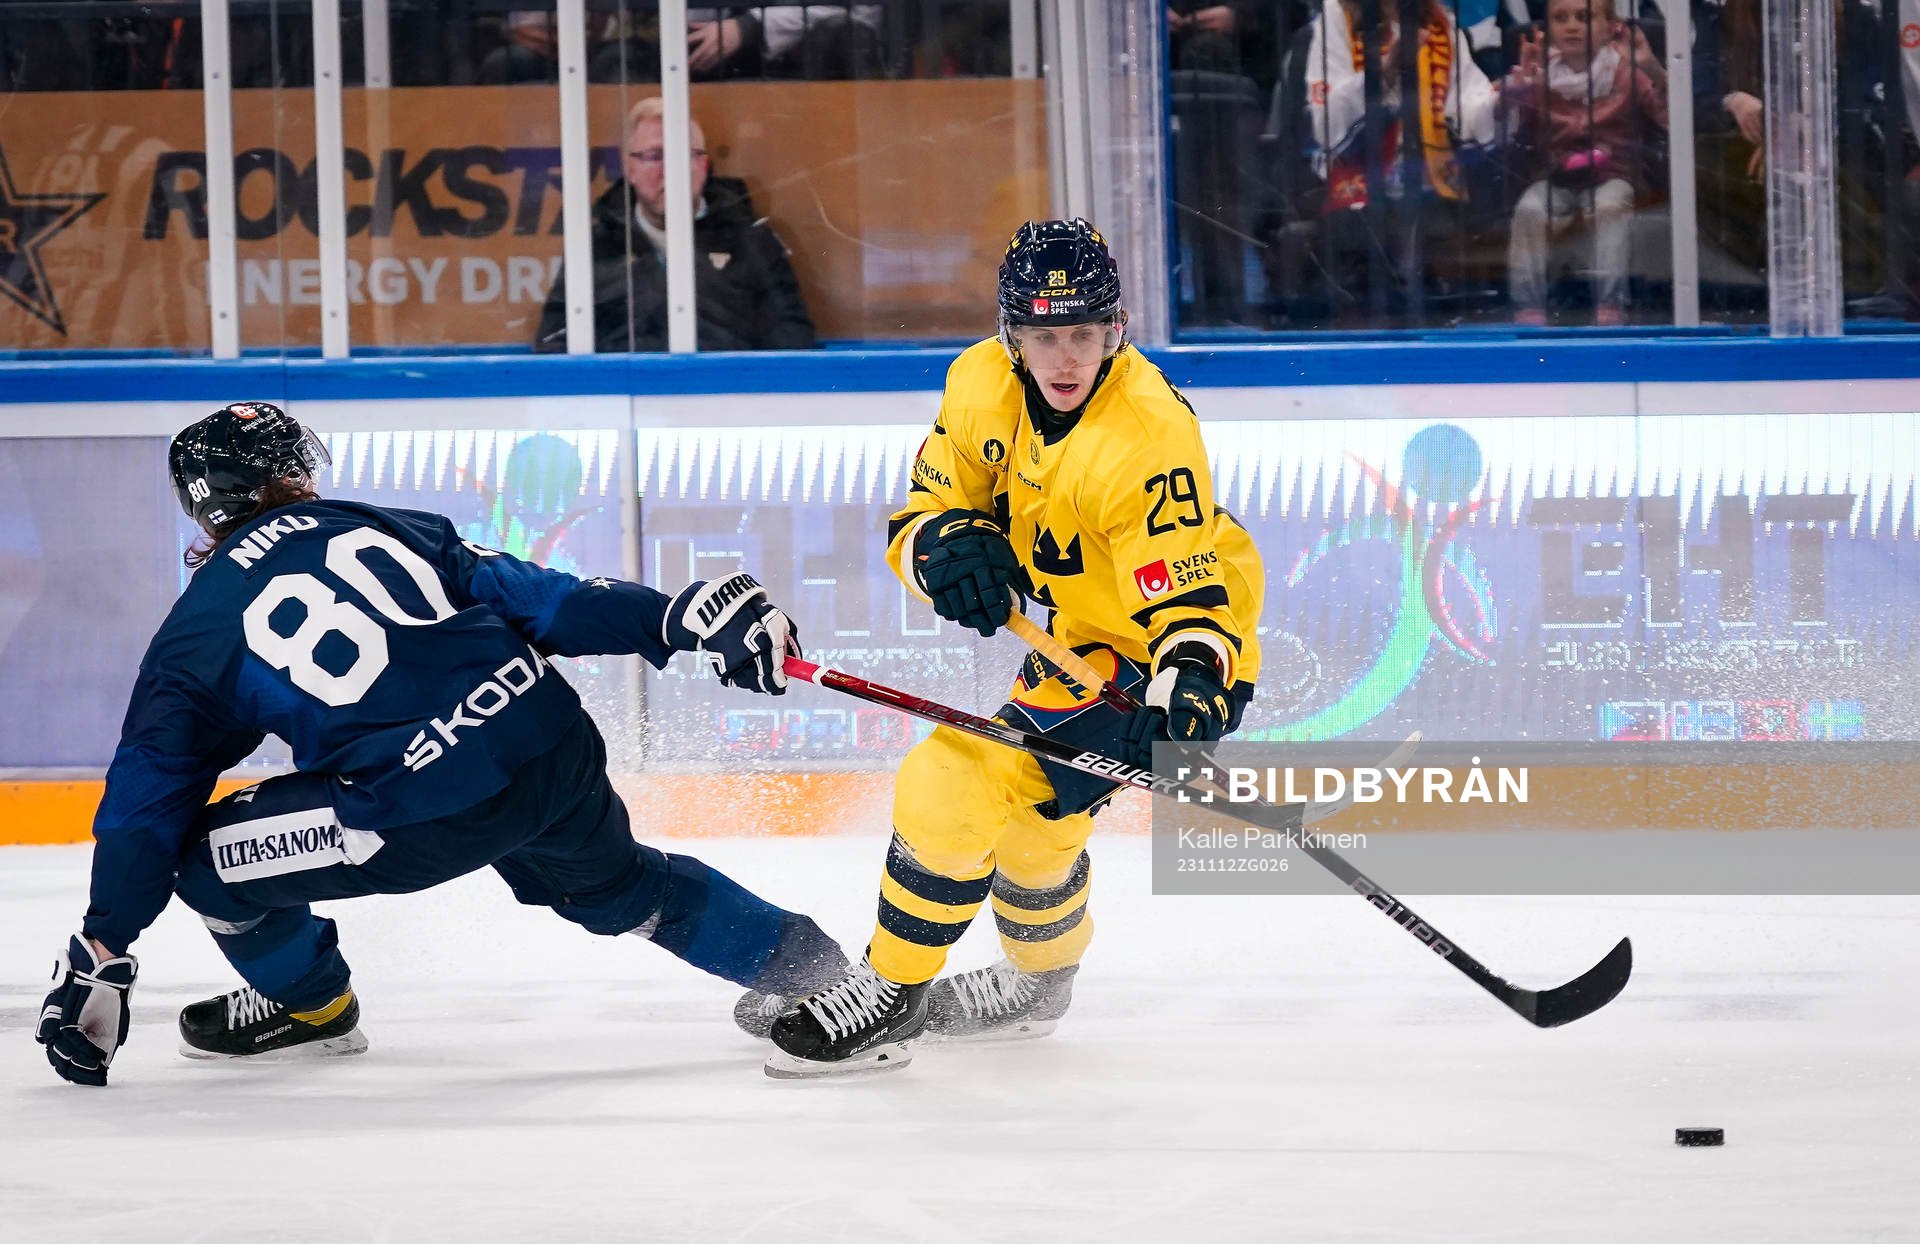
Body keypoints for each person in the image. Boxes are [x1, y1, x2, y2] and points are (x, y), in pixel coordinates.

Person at [35, 402, 847, 1086]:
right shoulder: (376, 522)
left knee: (204, 864)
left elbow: (147, 809)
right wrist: (673, 619)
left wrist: (105, 941)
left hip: (419, 813)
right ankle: (824, 976)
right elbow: (551, 605)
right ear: (273, 480)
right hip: (549, 745)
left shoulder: (191, 639)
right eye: (289, 466)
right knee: (628, 889)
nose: (303, 478)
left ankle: (311, 1006)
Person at [745, 220, 1266, 1077]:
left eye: (1085, 335)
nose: (1066, 359)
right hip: (1079, 640)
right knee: (1032, 824)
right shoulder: (978, 382)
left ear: (1116, 330)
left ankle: (891, 991)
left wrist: (1194, 674)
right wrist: (942, 548)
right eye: (1044, 335)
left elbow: (1186, 591)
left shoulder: (1145, 435)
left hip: (1160, 653)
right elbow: (926, 508)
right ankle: (1039, 982)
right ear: (1009, 335)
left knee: (952, 779)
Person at [534, 98, 816, 354]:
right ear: (629, 169)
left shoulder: (751, 241)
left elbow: (793, 341)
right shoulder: (596, 247)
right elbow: (554, 344)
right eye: (656, 156)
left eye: (685, 154)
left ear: (703, 166)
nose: (671, 169)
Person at [1500, 0, 1668, 326]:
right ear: (1549, 30)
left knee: (1609, 207)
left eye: (1584, 16)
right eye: (1561, 19)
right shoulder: (1540, 73)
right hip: (1557, 179)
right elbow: (1504, 126)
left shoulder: (1626, 69)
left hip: (1614, 175)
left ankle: (1610, 305)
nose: (1572, 26)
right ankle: (1529, 308)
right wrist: (1519, 91)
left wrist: (1652, 69)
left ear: (1609, 27)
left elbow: (1669, 118)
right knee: (1530, 210)